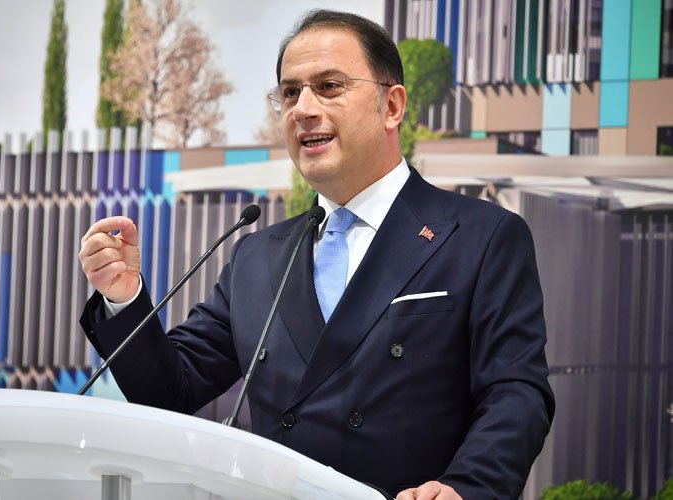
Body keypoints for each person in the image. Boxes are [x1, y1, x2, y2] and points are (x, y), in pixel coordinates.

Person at [78, 9, 555, 499]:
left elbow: (515, 393)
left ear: (391, 106)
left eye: (329, 86)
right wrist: (123, 298)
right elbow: (170, 391)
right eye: (290, 93)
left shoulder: (481, 237)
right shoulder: (256, 257)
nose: (303, 109)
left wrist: (466, 488)